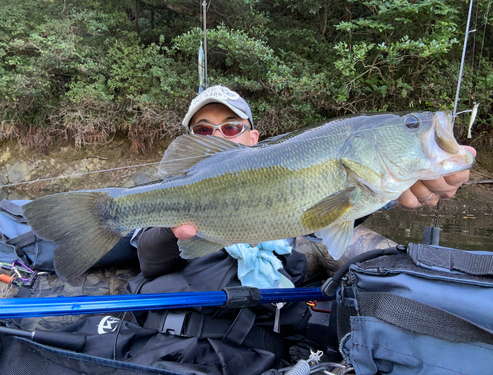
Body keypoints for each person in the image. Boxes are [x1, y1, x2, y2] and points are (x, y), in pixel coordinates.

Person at [127, 86, 475, 375]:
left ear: (253, 137)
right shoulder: (171, 192)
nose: (217, 135)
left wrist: (394, 192)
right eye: (203, 131)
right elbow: (151, 264)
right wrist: (173, 230)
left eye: (230, 127)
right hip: (163, 346)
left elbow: (333, 216)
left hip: (255, 357)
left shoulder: (297, 225)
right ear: (193, 142)